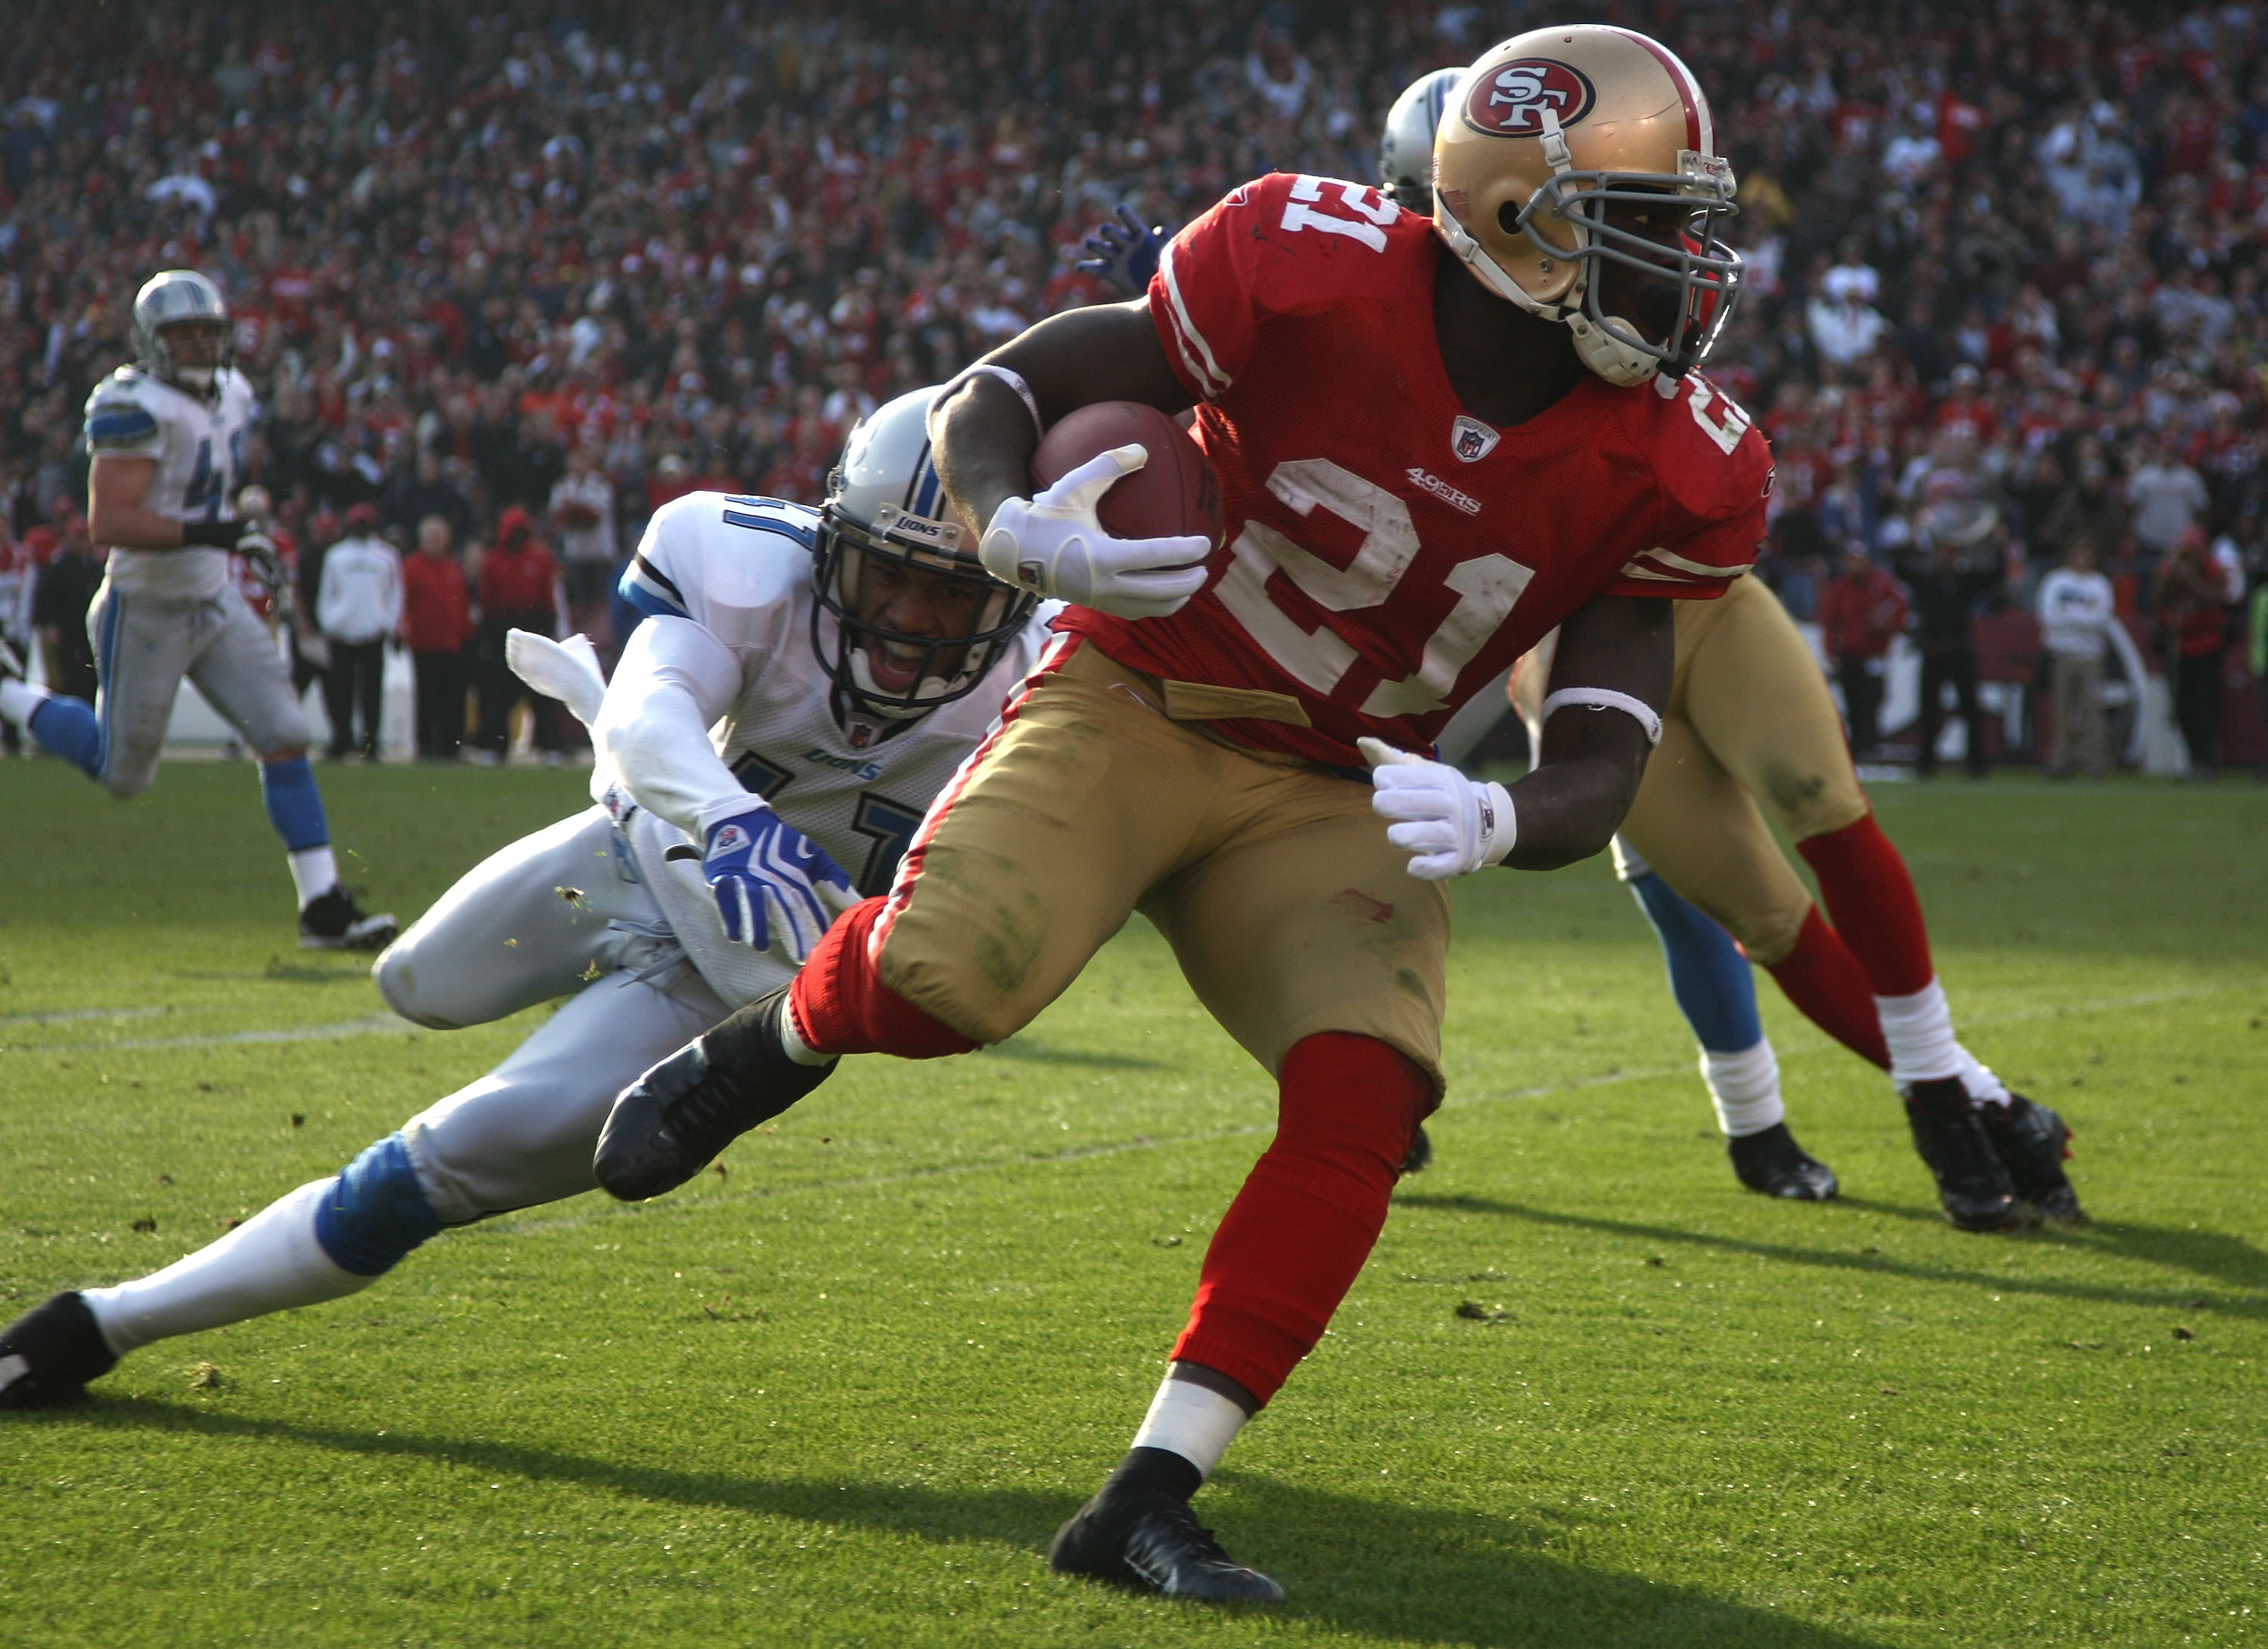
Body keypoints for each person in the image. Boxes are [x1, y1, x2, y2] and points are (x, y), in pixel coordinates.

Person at [596, 26, 1757, 1604]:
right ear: (1514, 216)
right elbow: (1018, 381)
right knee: (949, 984)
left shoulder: (1685, 456)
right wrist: (1010, 527)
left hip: (1340, 778)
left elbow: (1612, 723)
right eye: (1647, 228)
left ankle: (1149, 1492)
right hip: (1137, 694)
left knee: (1370, 1087)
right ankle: (774, 1041)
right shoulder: (1305, 257)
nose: (1687, 271)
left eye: (1693, 229)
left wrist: (1504, 815)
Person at [0, 389, 1048, 1414]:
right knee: (415, 981)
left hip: (729, 986)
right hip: (640, 857)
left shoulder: (1047, 684)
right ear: (831, 540)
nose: (912, 622)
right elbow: (653, 712)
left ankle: (96, 1324)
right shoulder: (746, 567)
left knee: (430, 1169)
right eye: (888, 575)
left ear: (1010, 591)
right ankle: (622, 799)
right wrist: (721, 817)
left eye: (953, 593)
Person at [0, 270, 394, 950]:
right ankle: (6, 688)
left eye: (209, 333)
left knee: (283, 730)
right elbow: (110, 520)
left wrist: (247, 527)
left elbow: (212, 488)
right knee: (123, 774)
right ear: (153, 341)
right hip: (146, 604)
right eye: (184, 335)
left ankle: (323, 907)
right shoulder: (131, 404)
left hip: (211, 594)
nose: (200, 346)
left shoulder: (232, 393)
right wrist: (218, 533)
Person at [473, 505, 565, 761]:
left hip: (534, 627)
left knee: (542, 692)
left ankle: (550, 748)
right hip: (502, 630)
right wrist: (488, 635)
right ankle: (494, 747)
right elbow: (487, 600)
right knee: (498, 694)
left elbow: (548, 599)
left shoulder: (540, 559)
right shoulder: (493, 561)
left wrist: (548, 630)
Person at [316, 501, 401, 761]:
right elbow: (327, 593)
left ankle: (370, 744)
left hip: (372, 632)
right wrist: (329, 622)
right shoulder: (336, 555)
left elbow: (395, 594)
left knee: (371, 694)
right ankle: (341, 740)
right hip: (341, 633)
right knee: (340, 691)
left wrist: (387, 623)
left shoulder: (386, 555)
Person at [2035, 535, 2117, 777]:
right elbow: (2049, 616)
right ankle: (2059, 761)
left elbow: (2102, 619)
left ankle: (2095, 762)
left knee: (2093, 711)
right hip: (2062, 654)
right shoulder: (2056, 581)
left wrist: (2068, 617)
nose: (2083, 559)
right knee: (2061, 711)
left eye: (2088, 554)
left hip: (2091, 656)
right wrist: (2083, 618)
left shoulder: (2100, 585)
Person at [1818, 541, 1907, 759]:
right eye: (1851, 561)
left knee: (1872, 700)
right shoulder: (1840, 588)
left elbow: (1901, 609)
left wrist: (1889, 625)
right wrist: (1831, 651)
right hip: (1850, 654)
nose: (1854, 565)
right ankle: (1858, 749)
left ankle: (1871, 746)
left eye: (1858, 561)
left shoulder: (1881, 584)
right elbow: (1830, 621)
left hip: (1874, 654)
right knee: (1853, 702)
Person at [2156, 525, 2232, 775]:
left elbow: (2216, 600)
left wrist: (2192, 579)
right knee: (2181, 708)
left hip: (2208, 647)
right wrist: (2173, 577)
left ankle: (2207, 760)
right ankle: (2195, 759)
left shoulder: (2215, 571)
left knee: (2205, 707)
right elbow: (2159, 600)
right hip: (2180, 647)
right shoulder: (2171, 571)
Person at [401, 513, 472, 761]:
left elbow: (461, 603)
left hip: (452, 642)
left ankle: (452, 746)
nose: (437, 542)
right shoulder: (411, 567)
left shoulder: (453, 567)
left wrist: (465, 632)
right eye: (432, 538)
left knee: (453, 697)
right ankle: (427, 745)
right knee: (427, 696)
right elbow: (404, 602)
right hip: (424, 642)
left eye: (440, 538)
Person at [29, 516, 101, 705]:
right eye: (78, 537)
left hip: (89, 644)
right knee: (69, 696)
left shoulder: (93, 569)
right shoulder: (56, 570)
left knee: (92, 695)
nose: (82, 543)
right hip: (67, 647)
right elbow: (44, 618)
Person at [550, 444, 618, 614]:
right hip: (576, 551)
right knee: (581, 602)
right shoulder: (563, 486)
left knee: (601, 601)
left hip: (599, 551)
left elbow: (595, 516)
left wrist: (574, 508)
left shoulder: (600, 484)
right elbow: (556, 514)